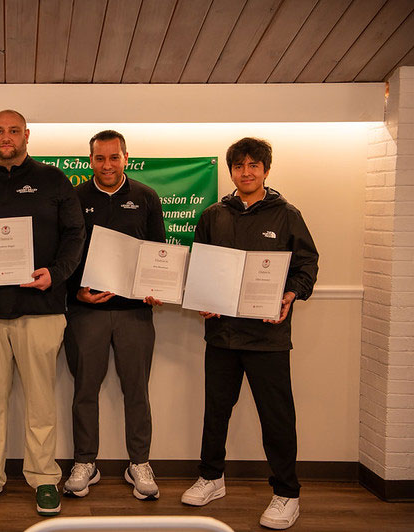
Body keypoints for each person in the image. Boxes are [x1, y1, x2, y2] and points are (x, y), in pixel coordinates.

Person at [181, 138, 318, 530]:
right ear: (230, 171)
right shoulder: (213, 215)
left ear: (266, 170)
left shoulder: (287, 214)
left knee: (276, 417)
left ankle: (287, 493)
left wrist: (291, 293)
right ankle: (211, 477)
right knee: (216, 411)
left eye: (253, 165)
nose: (246, 172)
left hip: (267, 338)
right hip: (222, 334)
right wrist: (202, 296)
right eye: (239, 166)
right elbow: (200, 264)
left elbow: (307, 264)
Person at [0, 109, 85, 516]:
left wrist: (56, 274)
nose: (6, 137)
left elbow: (75, 234)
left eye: (13, 130)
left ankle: (44, 477)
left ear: (27, 135)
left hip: (41, 309)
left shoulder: (54, 180)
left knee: (41, 402)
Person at [63, 130, 165, 500]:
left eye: (114, 157)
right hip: (86, 312)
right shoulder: (75, 198)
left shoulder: (146, 197)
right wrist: (76, 292)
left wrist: (157, 286)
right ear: (90, 161)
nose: (107, 165)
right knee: (84, 390)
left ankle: (139, 462)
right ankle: (85, 462)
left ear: (126, 158)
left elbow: (158, 250)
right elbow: (65, 253)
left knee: (136, 390)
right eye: (100, 158)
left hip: (134, 313)